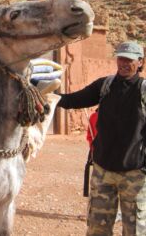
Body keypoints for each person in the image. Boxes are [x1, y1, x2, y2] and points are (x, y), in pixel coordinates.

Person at [57, 41, 145, 235]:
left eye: (129, 60)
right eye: (121, 58)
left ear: (140, 62)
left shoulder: (143, 90)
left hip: (135, 175)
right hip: (103, 171)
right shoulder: (104, 85)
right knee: (97, 229)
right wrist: (48, 96)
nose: (123, 63)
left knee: (135, 231)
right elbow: (74, 100)